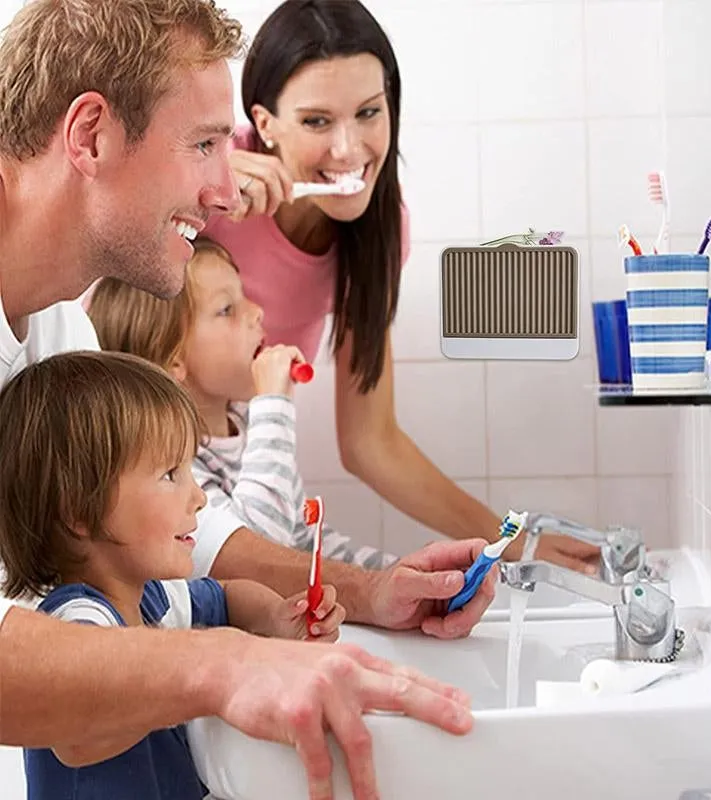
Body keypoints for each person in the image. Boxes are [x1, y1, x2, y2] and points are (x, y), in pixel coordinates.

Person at [0, 2, 478, 797]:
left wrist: (367, 592)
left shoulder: (55, 324)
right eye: (203, 146)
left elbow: (192, 527)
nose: (226, 189)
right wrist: (224, 665)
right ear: (90, 136)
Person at [207, 0, 600, 574]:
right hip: (141, 464)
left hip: (236, 475)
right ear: (264, 124)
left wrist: (512, 541)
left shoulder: (379, 228)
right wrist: (188, 185)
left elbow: (371, 441)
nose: (349, 149)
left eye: (369, 112)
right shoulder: (210, 172)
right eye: (317, 121)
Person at [0, 351, 345, 799]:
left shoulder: (154, 600)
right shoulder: (79, 620)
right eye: (170, 475)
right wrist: (206, 687)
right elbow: (79, 738)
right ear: (78, 511)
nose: (199, 497)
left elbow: (226, 597)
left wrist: (280, 617)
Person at [88, 238, 397, 574]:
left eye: (243, 297)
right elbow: (263, 552)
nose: (256, 312)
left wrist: (395, 573)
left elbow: (302, 541)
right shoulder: (173, 463)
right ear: (174, 359)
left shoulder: (248, 427)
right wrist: (273, 404)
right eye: (227, 309)